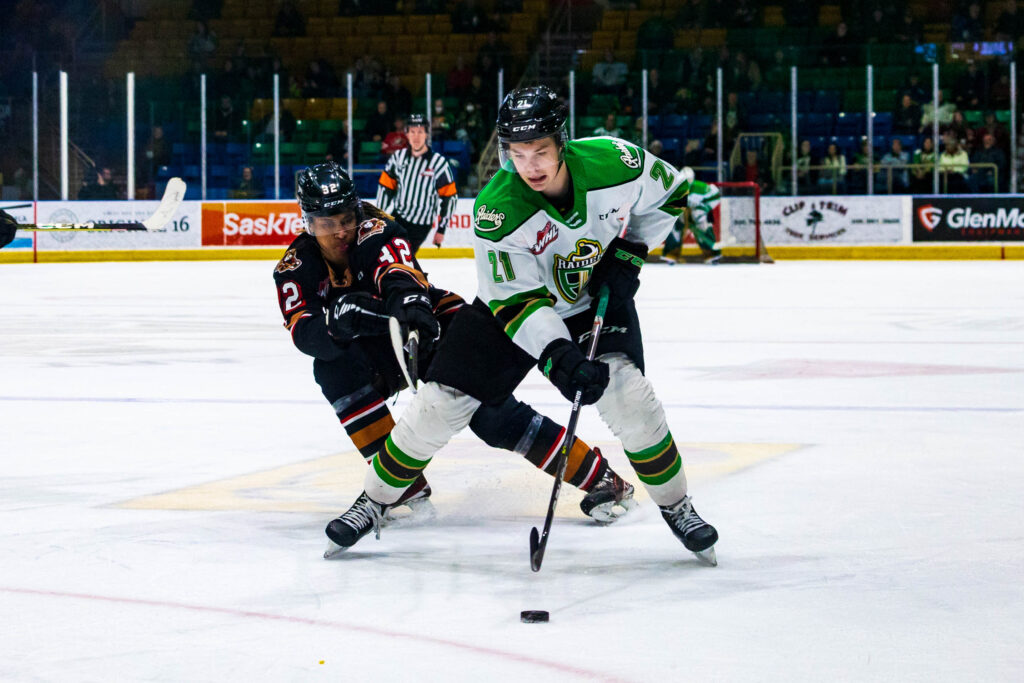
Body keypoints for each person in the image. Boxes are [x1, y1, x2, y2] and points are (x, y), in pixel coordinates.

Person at [326, 85, 719, 563]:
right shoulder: (497, 209)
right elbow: (515, 301)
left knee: (630, 398)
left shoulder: (617, 161)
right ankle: (375, 500)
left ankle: (677, 506)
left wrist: (633, 250)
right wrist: (559, 355)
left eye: (540, 152)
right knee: (439, 403)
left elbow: (672, 193)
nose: (530, 166)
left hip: (592, 294)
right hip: (512, 312)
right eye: (517, 154)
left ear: (562, 142)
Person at [275, 163, 637, 553]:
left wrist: (407, 304)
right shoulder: (294, 267)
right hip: (378, 351)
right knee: (333, 368)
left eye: (345, 219)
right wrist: (334, 325)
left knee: (493, 418)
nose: (340, 232)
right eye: (326, 225)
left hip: (436, 327)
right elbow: (305, 333)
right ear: (307, 222)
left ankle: (600, 477)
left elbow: (397, 274)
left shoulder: (378, 230)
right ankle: (399, 484)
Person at [375, 114, 457, 252]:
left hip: (421, 225)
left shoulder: (438, 163)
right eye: (412, 131)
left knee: (400, 260)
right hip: (398, 217)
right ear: (406, 134)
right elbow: (385, 188)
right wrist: (380, 217)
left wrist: (441, 229)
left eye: (420, 131)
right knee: (381, 254)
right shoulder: (398, 158)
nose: (416, 136)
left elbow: (450, 197)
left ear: (427, 134)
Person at [663, 175, 722, 263]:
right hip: (682, 212)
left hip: (696, 213)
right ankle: (671, 254)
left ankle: (711, 255)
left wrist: (705, 207)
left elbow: (716, 195)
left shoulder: (701, 187)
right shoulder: (673, 187)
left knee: (703, 227)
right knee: (675, 230)